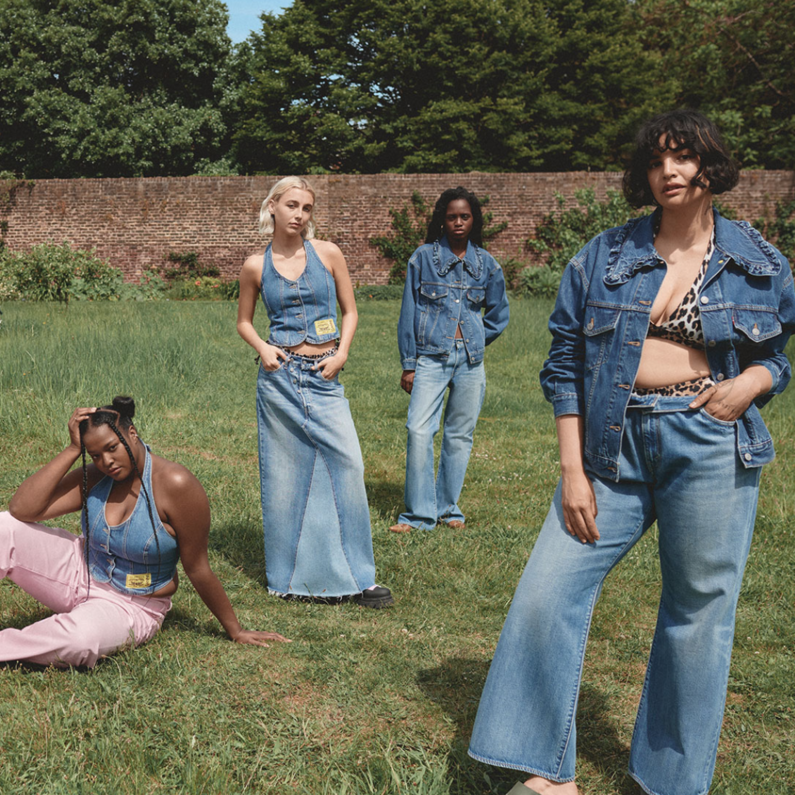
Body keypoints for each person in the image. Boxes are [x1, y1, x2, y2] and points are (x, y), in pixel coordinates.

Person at [468, 110, 795, 795]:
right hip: (611, 446)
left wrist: (752, 384)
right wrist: (572, 469)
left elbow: (776, 354)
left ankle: (668, 780)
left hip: (708, 437)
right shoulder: (603, 255)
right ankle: (539, 772)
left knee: (697, 612)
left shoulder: (759, 260)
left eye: (682, 158)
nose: (668, 172)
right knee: (545, 590)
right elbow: (563, 362)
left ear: (710, 166)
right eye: (656, 160)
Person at [0, 397, 290, 671]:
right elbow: (23, 510)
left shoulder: (176, 485)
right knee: (3, 529)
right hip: (82, 572)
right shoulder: (95, 476)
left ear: (132, 433)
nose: (107, 461)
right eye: (96, 454)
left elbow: (198, 567)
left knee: (79, 642)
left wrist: (234, 630)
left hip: (133, 606)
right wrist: (73, 450)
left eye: (113, 447)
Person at [235, 176, 392, 608]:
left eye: (306, 208)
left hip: (324, 377)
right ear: (272, 207)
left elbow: (351, 310)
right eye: (291, 206)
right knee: (286, 478)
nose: (299, 215)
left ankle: (361, 578)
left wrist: (341, 354)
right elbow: (244, 322)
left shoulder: (328, 254)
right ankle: (288, 580)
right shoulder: (255, 266)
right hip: (280, 379)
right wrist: (263, 348)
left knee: (347, 466)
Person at [390, 187, 510, 533]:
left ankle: (446, 507)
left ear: (474, 220)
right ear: (442, 220)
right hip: (430, 358)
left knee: (459, 434)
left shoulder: (486, 264)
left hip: (471, 362)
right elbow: (409, 312)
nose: (458, 222)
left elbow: (498, 314)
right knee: (418, 430)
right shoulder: (423, 258)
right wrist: (409, 363)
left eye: (465, 216)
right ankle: (417, 514)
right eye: (452, 216)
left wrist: (474, 337)